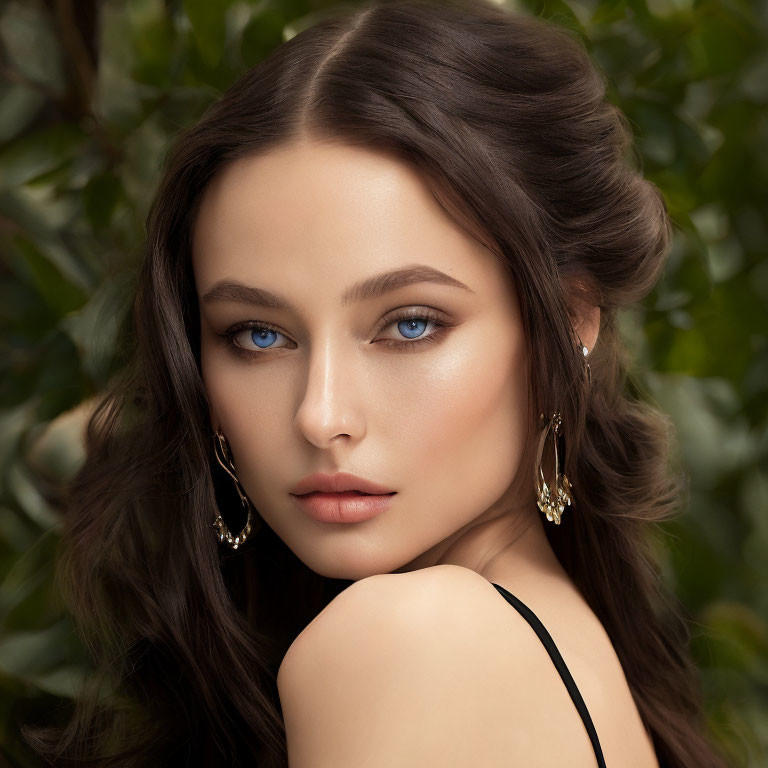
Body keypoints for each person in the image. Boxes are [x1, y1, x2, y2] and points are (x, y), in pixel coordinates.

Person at [25, 0, 731, 766]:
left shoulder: (405, 646)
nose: (321, 415)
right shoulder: (572, 649)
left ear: (568, 318)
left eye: (411, 325)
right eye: (258, 335)